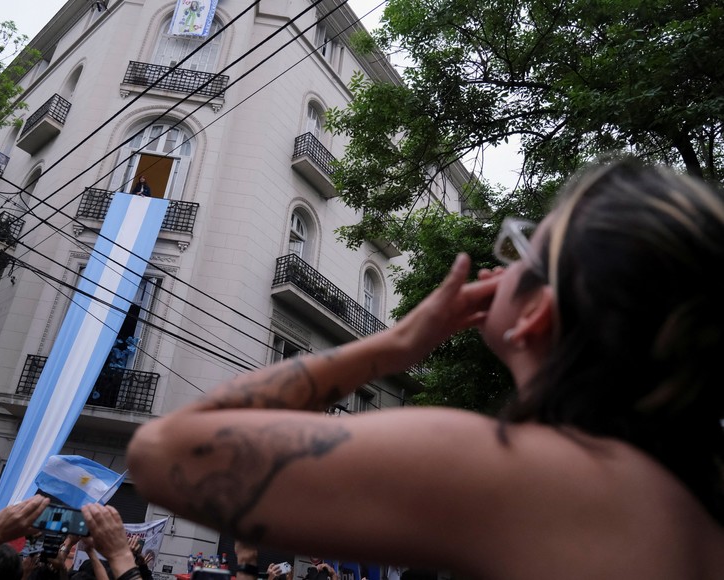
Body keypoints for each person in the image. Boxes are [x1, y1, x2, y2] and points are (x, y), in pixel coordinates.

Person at [126, 159, 724, 578]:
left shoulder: (509, 470)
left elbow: (160, 450)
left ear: (539, 310)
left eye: (521, 251)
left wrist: (394, 344)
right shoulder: (688, 507)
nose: (494, 269)